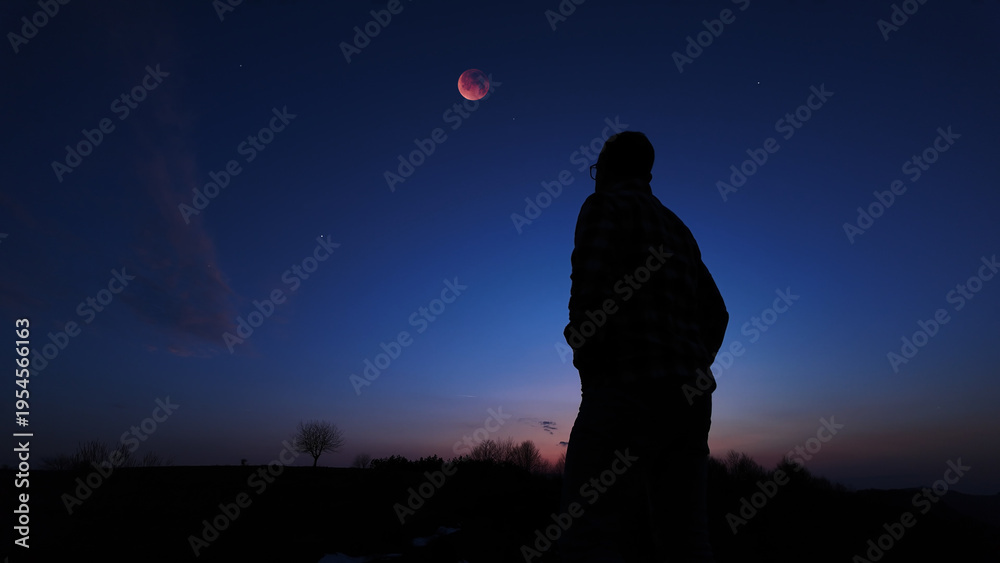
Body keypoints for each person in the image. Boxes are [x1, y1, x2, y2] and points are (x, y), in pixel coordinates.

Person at [559, 131, 729, 562]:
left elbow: (589, 293)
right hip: (691, 399)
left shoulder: (604, 206)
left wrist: (589, 366)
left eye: (597, 169)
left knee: (590, 531)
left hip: (625, 386)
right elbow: (718, 313)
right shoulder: (679, 229)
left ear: (609, 167)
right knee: (686, 537)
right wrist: (690, 362)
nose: (594, 179)